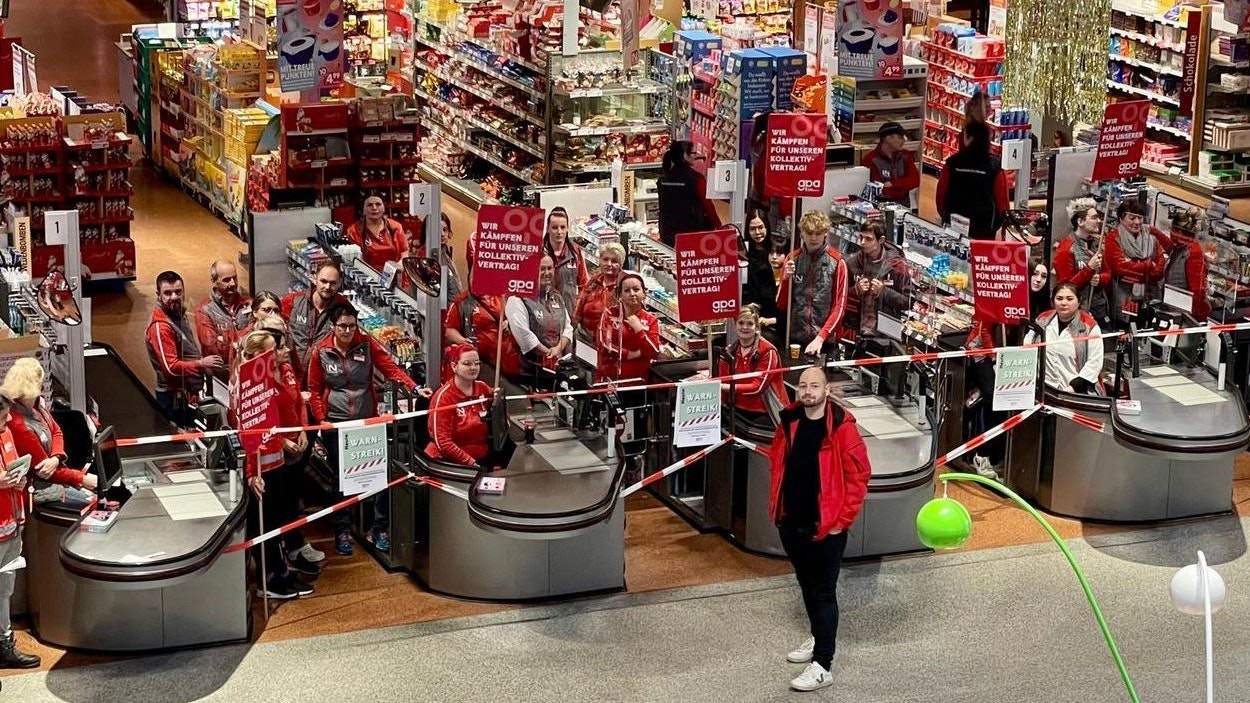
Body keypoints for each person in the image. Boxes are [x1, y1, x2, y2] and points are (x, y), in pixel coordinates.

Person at [769, 366, 871, 692]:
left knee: (823, 592)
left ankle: (823, 664)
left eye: (815, 385)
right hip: (792, 522)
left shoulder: (842, 428)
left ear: (827, 390)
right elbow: (778, 462)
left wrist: (842, 522)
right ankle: (818, 637)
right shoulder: (791, 421)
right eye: (803, 385)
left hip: (826, 528)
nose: (808, 391)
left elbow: (859, 476)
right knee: (806, 585)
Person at [307, 303, 423, 555]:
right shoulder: (321, 351)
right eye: (342, 326)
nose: (348, 331)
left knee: (376, 475)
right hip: (336, 424)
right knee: (342, 479)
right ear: (333, 326)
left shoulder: (367, 344)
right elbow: (314, 389)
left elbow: (390, 369)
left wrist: (413, 387)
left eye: (352, 325)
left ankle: (379, 528)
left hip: (367, 422)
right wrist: (321, 418)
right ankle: (343, 530)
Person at [232, 326, 315, 599]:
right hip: (260, 467)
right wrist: (251, 473)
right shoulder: (247, 385)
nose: (280, 352)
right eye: (272, 349)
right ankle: (268, 581)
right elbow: (246, 433)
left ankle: (281, 571)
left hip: (276, 461)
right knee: (262, 526)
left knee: (276, 521)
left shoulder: (270, 376)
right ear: (257, 354)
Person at [248, 311, 325, 569]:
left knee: (290, 501)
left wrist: (302, 429)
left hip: (294, 449)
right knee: (272, 513)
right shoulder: (256, 379)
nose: (284, 348)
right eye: (277, 343)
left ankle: (292, 547)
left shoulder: (287, 367)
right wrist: (282, 442)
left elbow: (296, 400)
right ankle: (277, 565)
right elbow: (258, 422)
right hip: (273, 455)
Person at [3, 358, 95, 510]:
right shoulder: (18, 424)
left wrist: (56, 457)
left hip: (56, 472)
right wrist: (81, 478)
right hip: (39, 487)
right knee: (93, 502)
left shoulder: (37, 404)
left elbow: (56, 430)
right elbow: (44, 471)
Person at [147, 270, 221, 426]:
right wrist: (201, 364)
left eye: (178, 292)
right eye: (168, 293)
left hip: (185, 394)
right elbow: (171, 367)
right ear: (158, 295)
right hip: (172, 399)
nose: (174, 297)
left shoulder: (178, 313)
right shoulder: (160, 326)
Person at [0, 392, 39, 669]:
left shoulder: (6, 435)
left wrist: (19, 480)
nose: (9, 419)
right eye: (3, 417)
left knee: (4, 588)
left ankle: (4, 642)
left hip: (13, 524)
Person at [777, 210, 849, 357]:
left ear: (826, 233)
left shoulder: (837, 262)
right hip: (796, 339)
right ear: (802, 233)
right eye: (809, 233)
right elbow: (781, 304)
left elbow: (840, 307)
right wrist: (785, 279)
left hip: (826, 342)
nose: (814, 238)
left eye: (818, 233)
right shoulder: (792, 259)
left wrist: (821, 337)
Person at [1024, 283, 1105, 395]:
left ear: (1079, 301)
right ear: (1053, 301)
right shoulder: (1042, 319)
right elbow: (1027, 345)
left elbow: (1094, 363)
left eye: (1069, 299)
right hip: (1044, 389)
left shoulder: (1090, 327)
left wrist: (1072, 388)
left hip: (1076, 392)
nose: (1064, 303)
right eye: (1059, 298)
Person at [934, 121, 1009, 240]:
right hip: (984, 229)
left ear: (969, 138)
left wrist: (945, 216)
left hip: (954, 224)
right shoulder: (994, 165)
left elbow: (940, 197)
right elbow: (1003, 205)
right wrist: (997, 226)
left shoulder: (953, 162)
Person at [505, 255, 572, 386]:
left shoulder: (556, 296)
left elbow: (568, 327)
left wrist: (558, 349)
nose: (547, 273)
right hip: (526, 373)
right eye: (541, 269)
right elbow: (524, 335)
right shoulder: (517, 298)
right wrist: (548, 353)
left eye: (550, 268)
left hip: (553, 369)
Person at [426, 344, 494, 467]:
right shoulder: (443, 398)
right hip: (451, 462)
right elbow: (443, 443)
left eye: (477, 363)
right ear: (454, 366)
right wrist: (470, 463)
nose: (473, 367)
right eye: (467, 364)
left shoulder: (483, 387)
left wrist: (499, 399)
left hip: (482, 456)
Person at [716, 305, 787, 418]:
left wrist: (719, 386)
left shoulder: (768, 351)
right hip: (735, 409)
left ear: (757, 327)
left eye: (750, 324)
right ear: (735, 326)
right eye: (741, 323)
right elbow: (723, 379)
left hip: (766, 412)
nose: (745, 327)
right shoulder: (729, 351)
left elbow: (757, 388)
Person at [282, 261, 350, 379]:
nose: (327, 287)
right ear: (314, 279)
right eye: (323, 281)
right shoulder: (293, 301)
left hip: (321, 379)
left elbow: (357, 340)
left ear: (339, 284)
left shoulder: (344, 308)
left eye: (333, 283)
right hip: (291, 376)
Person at [844, 220, 910, 338]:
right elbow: (840, 296)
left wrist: (884, 292)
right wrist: (856, 290)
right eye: (861, 238)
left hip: (887, 332)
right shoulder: (852, 263)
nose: (863, 242)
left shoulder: (897, 266)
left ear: (881, 240)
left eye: (869, 239)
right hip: (856, 330)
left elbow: (908, 302)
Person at [1104, 199, 1168, 319]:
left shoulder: (1151, 237)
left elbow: (1160, 269)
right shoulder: (1113, 238)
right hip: (1124, 296)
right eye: (1132, 218)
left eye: (1140, 218)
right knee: (1124, 329)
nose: (1137, 222)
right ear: (1121, 219)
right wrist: (1148, 265)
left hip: (1148, 296)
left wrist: (1135, 265)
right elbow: (1120, 268)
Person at [595, 272, 661, 383]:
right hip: (609, 379)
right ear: (620, 295)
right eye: (626, 290)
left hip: (638, 381)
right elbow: (603, 345)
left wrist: (639, 330)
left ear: (644, 293)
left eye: (636, 289)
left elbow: (654, 353)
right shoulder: (609, 314)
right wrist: (632, 354)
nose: (632, 293)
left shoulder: (651, 320)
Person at [1054, 198, 1110, 324]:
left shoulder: (1098, 244)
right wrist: (1089, 269)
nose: (1099, 221)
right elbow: (1065, 288)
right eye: (1094, 217)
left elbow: (1108, 273)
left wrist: (1100, 278)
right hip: (1076, 315)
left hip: (1099, 310)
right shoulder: (1066, 248)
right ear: (1080, 221)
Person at [443, 292, 521, 380]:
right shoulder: (461, 302)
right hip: (481, 362)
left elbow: (514, 319)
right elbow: (449, 330)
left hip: (508, 359)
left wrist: (508, 323)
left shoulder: (501, 297)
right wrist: (463, 341)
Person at [196, 260, 252, 382]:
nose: (232, 283)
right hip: (220, 378)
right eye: (226, 280)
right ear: (214, 282)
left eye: (234, 278)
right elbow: (213, 349)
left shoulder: (248, 304)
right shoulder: (204, 310)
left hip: (247, 373)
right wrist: (247, 335)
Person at [657, 140, 721, 246]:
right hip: (692, 233)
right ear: (684, 155)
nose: (696, 156)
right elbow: (708, 205)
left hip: (667, 232)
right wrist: (718, 226)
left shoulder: (663, 179)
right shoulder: (697, 179)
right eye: (693, 153)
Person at [1163, 207, 1210, 321]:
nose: (1170, 234)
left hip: (1186, 317)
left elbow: (1198, 291)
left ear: (1178, 232)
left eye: (1172, 230)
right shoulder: (1179, 248)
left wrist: (1193, 321)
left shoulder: (1194, 253)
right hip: (1174, 311)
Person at [573, 242, 625, 338]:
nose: (609, 264)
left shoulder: (625, 285)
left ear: (621, 264)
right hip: (586, 339)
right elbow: (578, 310)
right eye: (605, 259)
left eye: (614, 261)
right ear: (600, 260)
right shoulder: (593, 282)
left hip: (612, 343)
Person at [741, 211, 783, 330]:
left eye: (760, 227)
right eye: (753, 229)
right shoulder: (744, 253)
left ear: (767, 227)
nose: (757, 232)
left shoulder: (776, 248)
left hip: (777, 313)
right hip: (754, 313)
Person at [861, 122, 920, 206]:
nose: (904, 140)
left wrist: (893, 184)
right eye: (900, 137)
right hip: (880, 208)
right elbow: (878, 189)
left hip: (903, 208)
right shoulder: (870, 159)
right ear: (888, 138)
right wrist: (903, 186)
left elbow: (915, 180)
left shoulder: (906, 155)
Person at [345, 194, 408, 271]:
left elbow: (404, 253)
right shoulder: (353, 231)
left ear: (384, 207)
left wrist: (399, 267)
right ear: (363, 210)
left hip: (394, 276)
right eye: (369, 205)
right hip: (366, 277)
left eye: (378, 204)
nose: (374, 208)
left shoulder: (396, 227)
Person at [543, 207, 588, 313]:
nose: (559, 232)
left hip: (569, 312)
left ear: (567, 228)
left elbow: (584, 285)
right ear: (547, 229)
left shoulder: (576, 253)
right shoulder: (538, 253)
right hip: (544, 314)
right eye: (555, 227)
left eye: (563, 227)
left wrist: (579, 310)